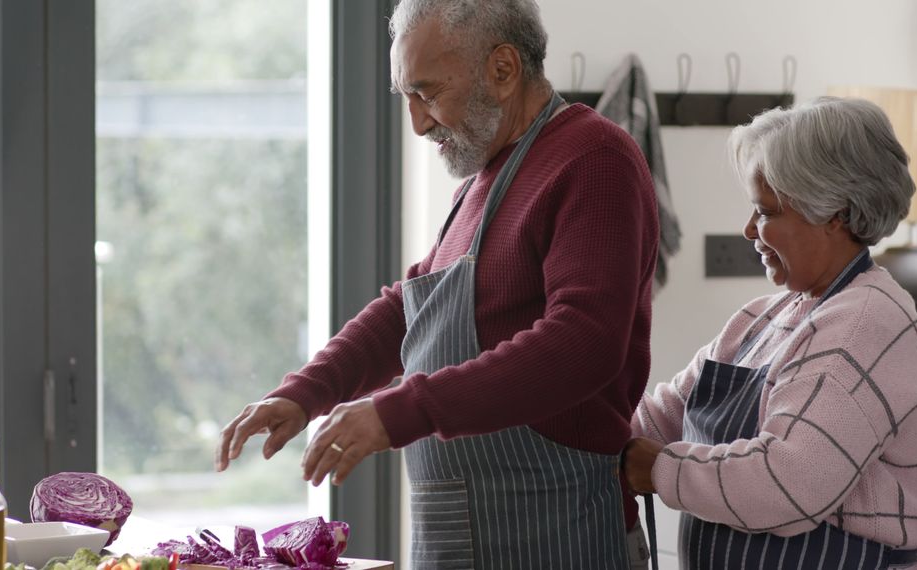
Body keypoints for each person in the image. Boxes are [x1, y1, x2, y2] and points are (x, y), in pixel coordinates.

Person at [214, 0, 659, 568]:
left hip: (558, 530)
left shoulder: (593, 158)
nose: (418, 123)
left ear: (502, 70)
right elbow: (409, 310)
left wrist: (399, 412)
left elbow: (584, 342)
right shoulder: (482, 183)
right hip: (461, 534)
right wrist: (304, 393)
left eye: (427, 93)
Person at [623, 97, 917, 569]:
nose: (748, 230)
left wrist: (660, 470)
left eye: (766, 212)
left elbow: (788, 482)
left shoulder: (868, 322)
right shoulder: (760, 320)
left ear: (835, 214)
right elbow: (661, 416)